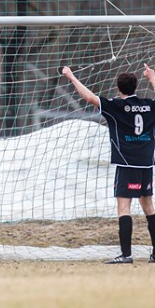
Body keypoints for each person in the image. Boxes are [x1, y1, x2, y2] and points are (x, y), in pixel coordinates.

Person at [63, 64, 155, 264]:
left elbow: (89, 97)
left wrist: (71, 76)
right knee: (149, 207)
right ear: (135, 86)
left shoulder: (116, 107)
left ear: (119, 88)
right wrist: (152, 77)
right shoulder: (149, 105)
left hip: (126, 163)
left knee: (124, 208)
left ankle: (126, 255)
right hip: (146, 164)